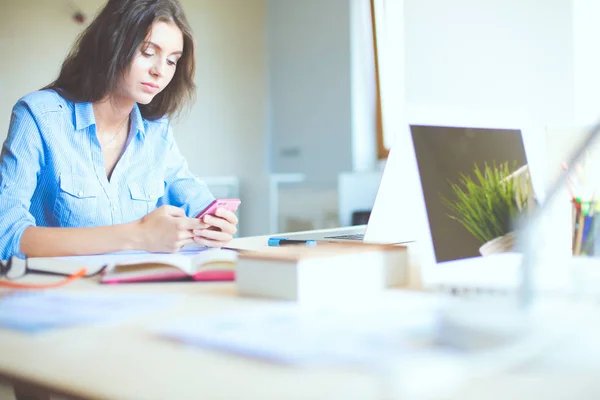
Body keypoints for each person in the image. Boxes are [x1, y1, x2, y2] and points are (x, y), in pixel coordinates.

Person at [0, 0, 239, 260]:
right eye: (148, 52)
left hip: (133, 290)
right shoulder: (39, 115)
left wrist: (216, 225)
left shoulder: (156, 131)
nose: (160, 71)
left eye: (172, 61)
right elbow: (7, 235)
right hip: (57, 291)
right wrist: (138, 234)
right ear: (113, 43)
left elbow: (197, 201)